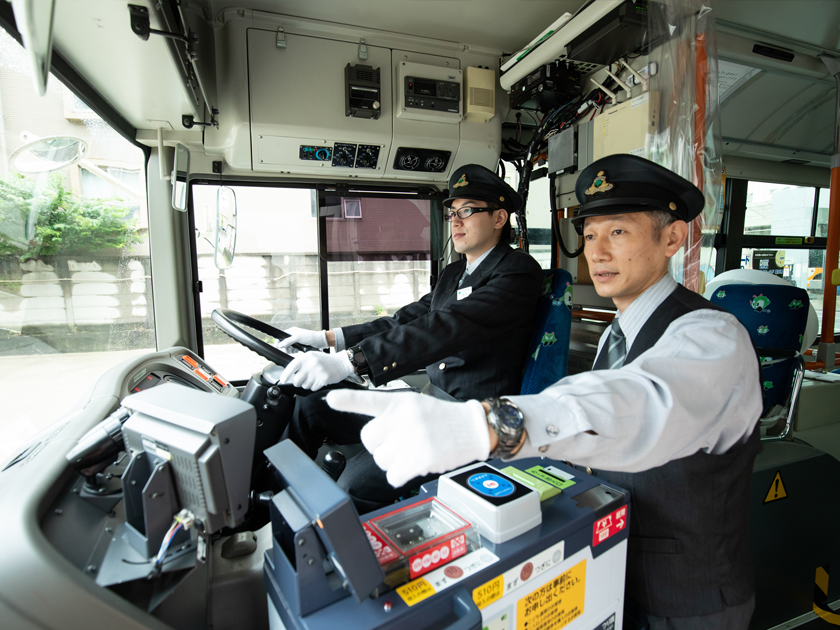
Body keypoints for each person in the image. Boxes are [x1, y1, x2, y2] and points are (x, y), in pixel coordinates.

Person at [326, 154, 763, 629]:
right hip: (603, 566)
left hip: (683, 600)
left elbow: (640, 402)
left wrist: (489, 425)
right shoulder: (621, 333)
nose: (595, 253)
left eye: (617, 232)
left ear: (673, 237)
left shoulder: (714, 336)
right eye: (590, 235)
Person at [276, 164, 544, 508]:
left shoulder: (518, 272)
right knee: (311, 406)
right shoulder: (453, 273)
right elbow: (406, 320)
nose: (455, 221)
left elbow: (446, 326)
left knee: (351, 487)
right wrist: (329, 339)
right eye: (452, 212)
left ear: (499, 218)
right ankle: (271, 505)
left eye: (467, 211)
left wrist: (351, 362)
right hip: (426, 401)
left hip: (470, 418)